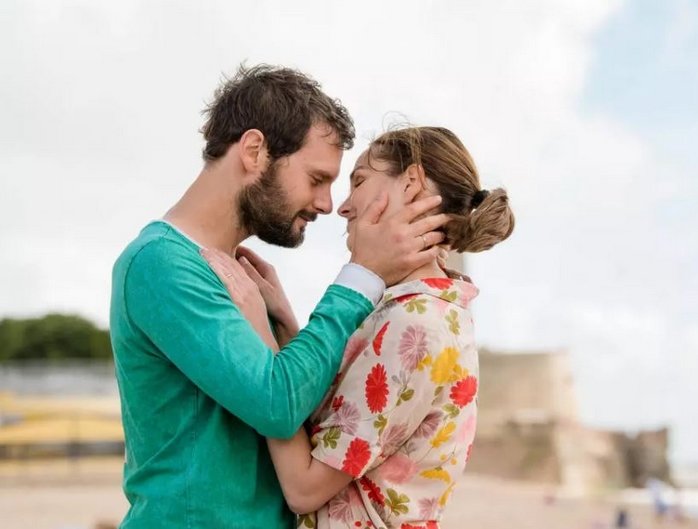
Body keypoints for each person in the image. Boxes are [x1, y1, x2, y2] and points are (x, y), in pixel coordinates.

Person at [108, 65, 449, 529]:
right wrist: (362, 276)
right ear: (254, 151)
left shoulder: (241, 276)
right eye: (316, 178)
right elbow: (278, 404)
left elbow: (296, 407)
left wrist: (287, 326)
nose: (327, 203)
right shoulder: (160, 265)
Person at [205, 126, 514, 528]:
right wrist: (283, 324)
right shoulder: (425, 308)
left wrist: (259, 338)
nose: (343, 207)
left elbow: (304, 488)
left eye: (359, 181)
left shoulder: (414, 324)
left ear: (412, 183)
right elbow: (341, 425)